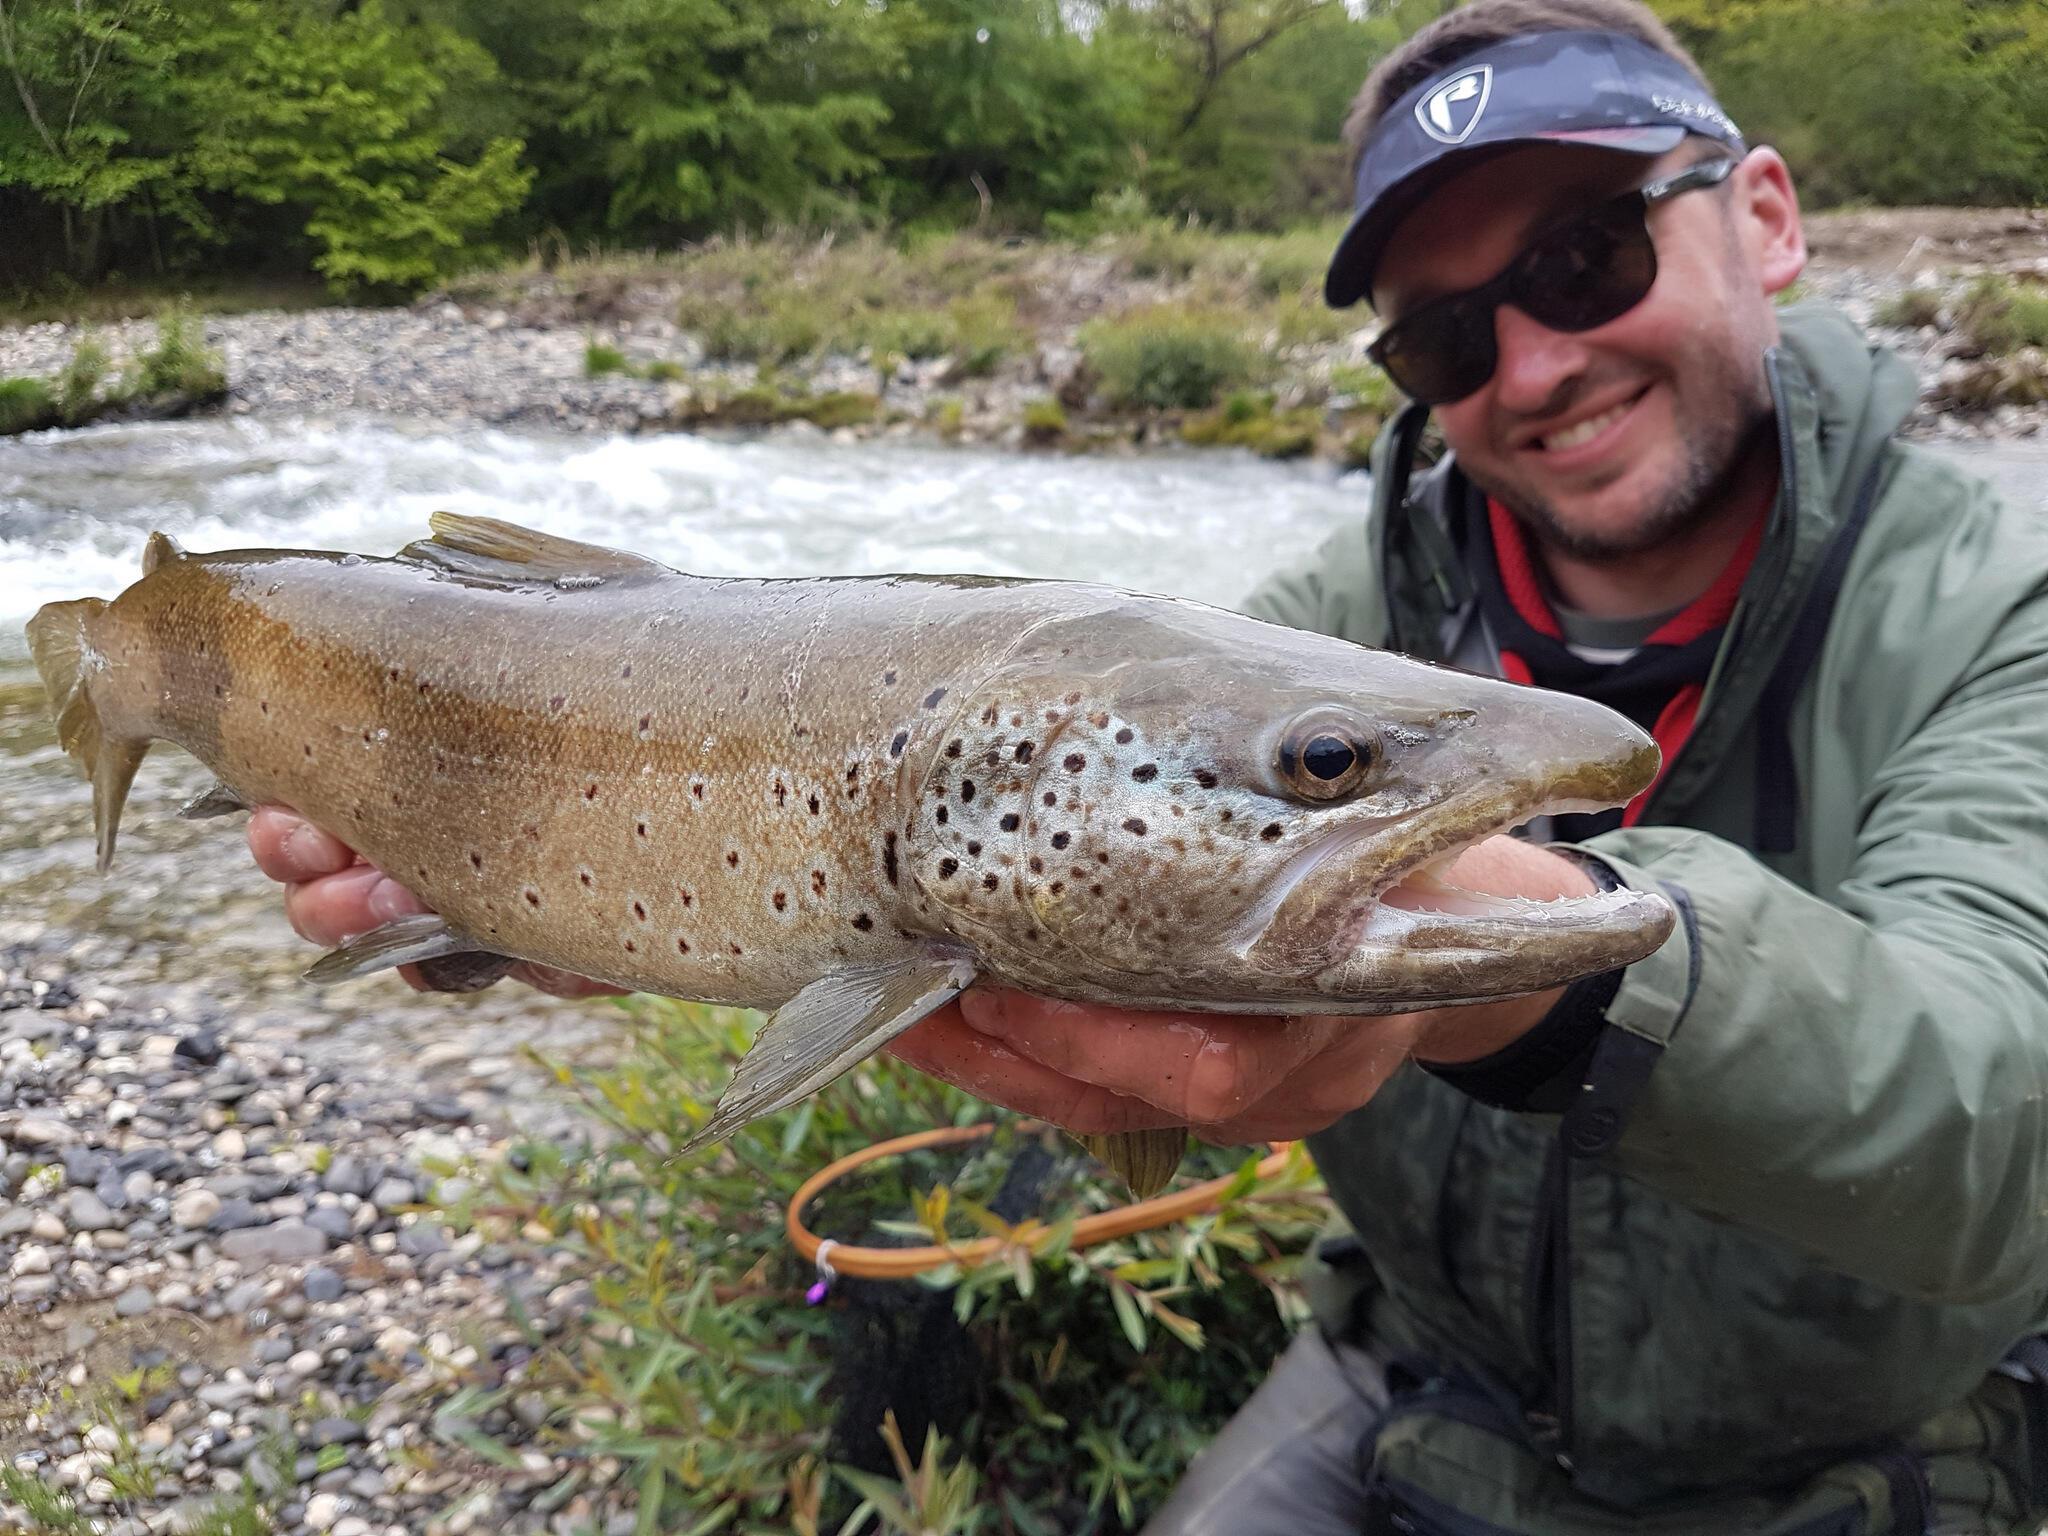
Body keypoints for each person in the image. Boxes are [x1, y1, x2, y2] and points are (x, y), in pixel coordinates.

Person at [249, 1, 2048, 1528]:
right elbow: (974, 814)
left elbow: (2009, 1113)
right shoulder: (1304, 624)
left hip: (1869, 1455)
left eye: (1589, 255)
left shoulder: (2003, 609)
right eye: (1442, 334)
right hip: (1413, 1376)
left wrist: (1539, 983)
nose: (1535, 359)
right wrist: (561, 892)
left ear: (1769, 217)